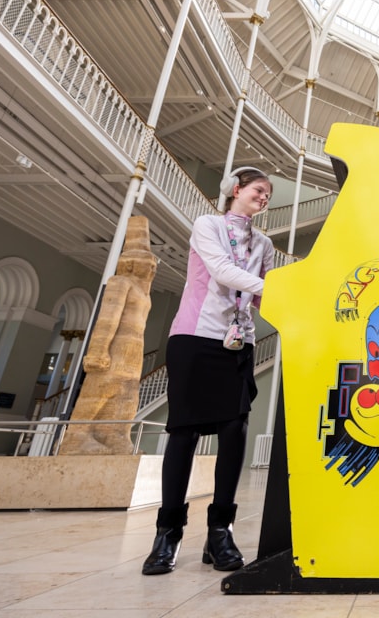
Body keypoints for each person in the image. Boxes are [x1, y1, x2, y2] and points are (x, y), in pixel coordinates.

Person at [141, 166, 275, 576]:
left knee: (234, 433)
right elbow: (221, 271)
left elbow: (258, 300)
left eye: (269, 193)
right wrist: (276, 288)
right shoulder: (207, 224)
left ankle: (220, 532)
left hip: (239, 344)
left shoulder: (265, 242)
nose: (265, 197)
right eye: (258, 189)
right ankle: (167, 534)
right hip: (196, 337)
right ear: (235, 190)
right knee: (184, 434)